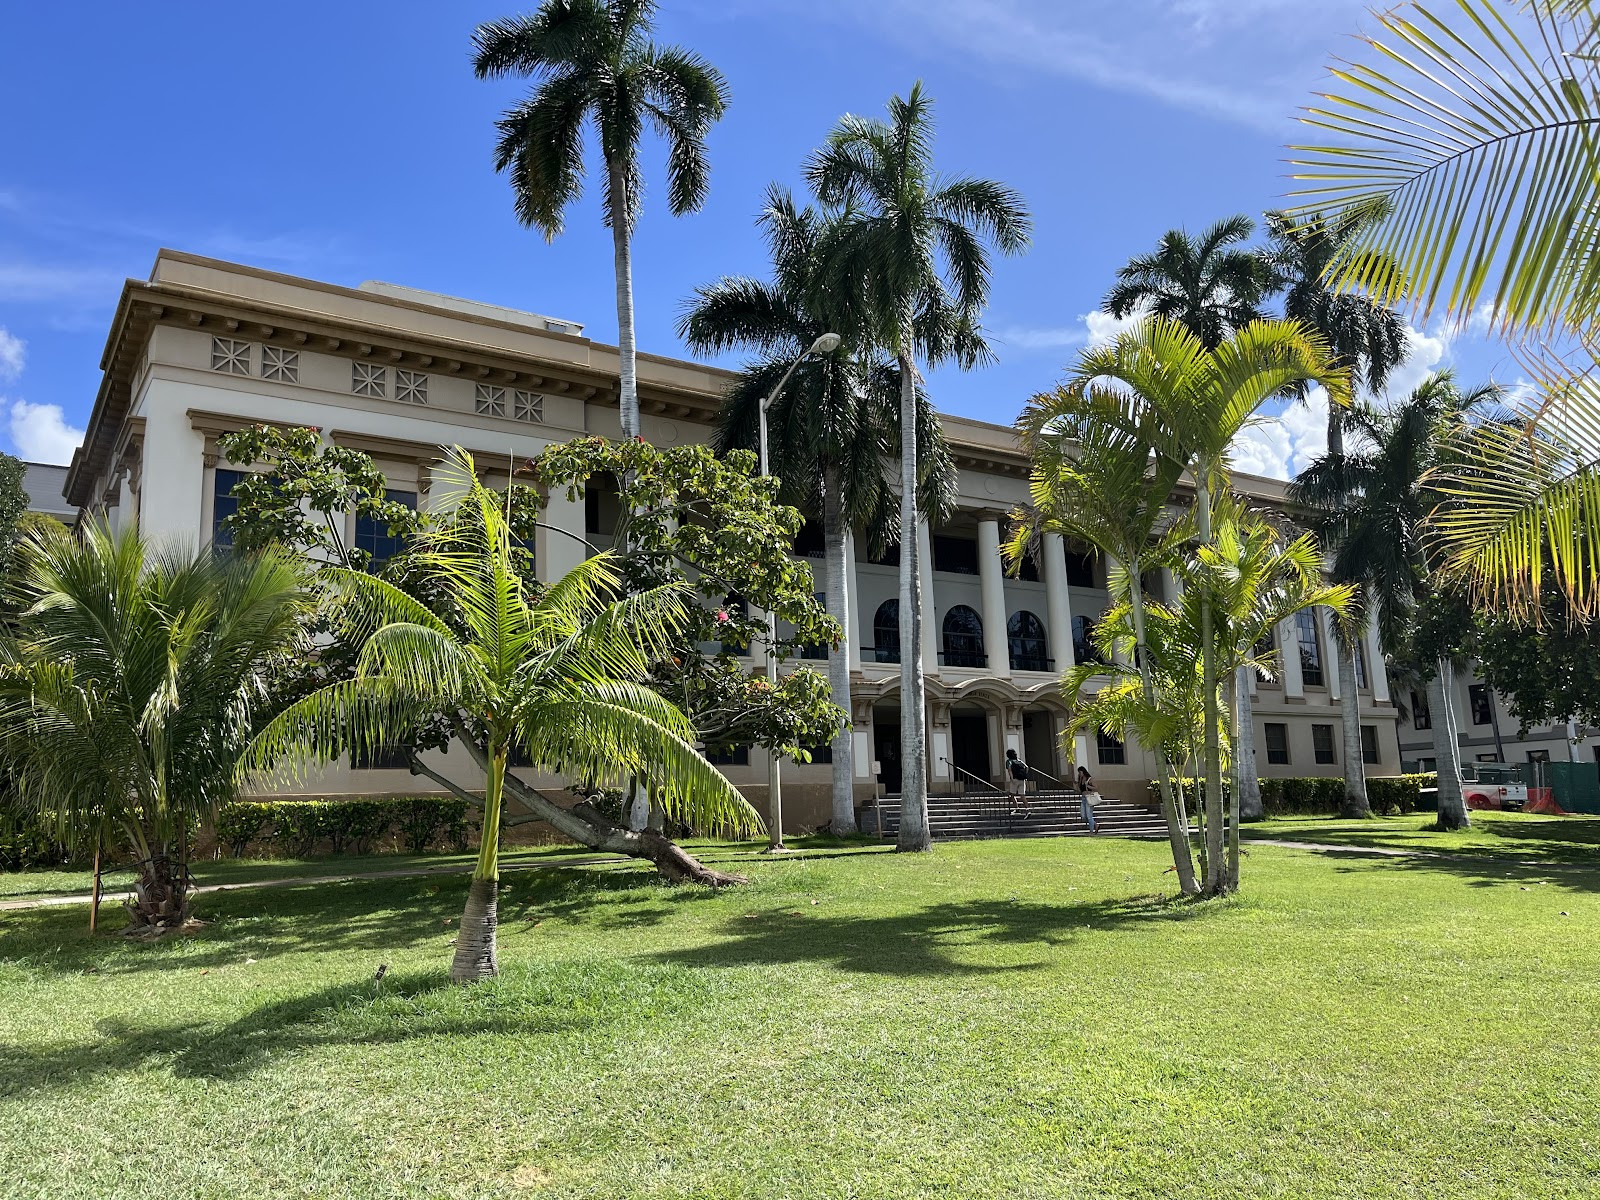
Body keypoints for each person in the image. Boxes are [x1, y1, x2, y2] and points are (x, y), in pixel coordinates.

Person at [1004, 748, 1030, 817]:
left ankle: (1016, 808)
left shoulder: (1009, 761)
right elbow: (1027, 767)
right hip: (1022, 780)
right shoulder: (1019, 760)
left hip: (1015, 780)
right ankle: (1027, 810)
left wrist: (1012, 779)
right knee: (1022, 796)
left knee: (1012, 795)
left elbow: (1009, 770)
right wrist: (1024, 775)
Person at [1076, 764, 1101, 833]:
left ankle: (1091, 831)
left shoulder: (1089, 779)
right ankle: (1096, 825)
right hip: (1083, 798)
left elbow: (1096, 788)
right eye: (1079, 773)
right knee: (1083, 815)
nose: (1079, 774)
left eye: (1080, 772)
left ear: (1083, 772)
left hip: (1089, 797)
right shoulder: (1080, 780)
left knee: (1089, 815)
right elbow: (1080, 790)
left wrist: (1088, 786)